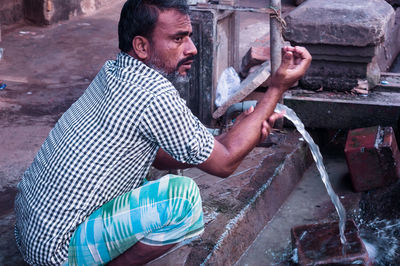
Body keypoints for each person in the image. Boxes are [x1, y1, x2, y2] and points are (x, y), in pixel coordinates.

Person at [14, 0, 312, 265]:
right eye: (178, 39)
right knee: (182, 200)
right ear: (142, 46)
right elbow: (224, 163)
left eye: (189, 37)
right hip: (57, 254)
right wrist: (277, 86)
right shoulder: (153, 94)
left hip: (32, 235)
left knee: (151, 175)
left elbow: (157, 154)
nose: (192, 48)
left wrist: (231, 136)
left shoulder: (115, 71)